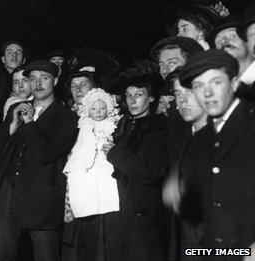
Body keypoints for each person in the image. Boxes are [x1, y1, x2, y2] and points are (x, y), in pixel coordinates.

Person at [0, 60, 77, 261]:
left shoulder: (66, 117)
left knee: (45, 255)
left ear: (55, 80)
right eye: (33, 79)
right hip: (10, 194)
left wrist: (28, 124)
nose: (38, 84)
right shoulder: (18, 109)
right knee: (4, 254)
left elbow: (46, 153)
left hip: (43, 199)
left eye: (44, 78)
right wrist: (10, 128)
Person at [177, 50, 255, 253]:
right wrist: (182, 197)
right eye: (198, 86)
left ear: (235, 83)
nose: (207, 93)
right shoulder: (202, 138)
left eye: (216, 82)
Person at [102, 70, 168, 260]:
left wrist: (114, 153)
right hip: (120, 211)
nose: (132, 101)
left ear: (151, 98)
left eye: (138, 95)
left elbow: (151, 171)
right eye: (129, 96)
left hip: (145, 211)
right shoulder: (123, 124)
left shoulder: (158, 128)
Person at [62, 88, 120, 260]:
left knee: (106, 192)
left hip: (105, 165)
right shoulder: (84, 126)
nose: (98, 112)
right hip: (86, 166)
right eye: (94, 109)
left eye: (102, 108)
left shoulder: (112, 125)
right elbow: (81, 146)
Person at [162, 68, 207, 261]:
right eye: (178, 94)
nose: (182, 100)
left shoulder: (227, 138)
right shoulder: (181, 137)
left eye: (189, 92)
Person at [162, 3, 226, 50]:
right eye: (178, 31)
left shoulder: (215, 55)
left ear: (201, 31)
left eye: (185, 29)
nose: (178, 35)